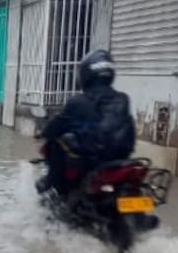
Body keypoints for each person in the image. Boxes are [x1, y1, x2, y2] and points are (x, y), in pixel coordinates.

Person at [38, 49, 136, 198]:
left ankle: (55, 186)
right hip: (121, 159)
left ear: (86, 74)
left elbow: (56, 126)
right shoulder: (123, 99)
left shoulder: (78, 101)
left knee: (56, 142)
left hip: (92, 160)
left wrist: (44, 132)